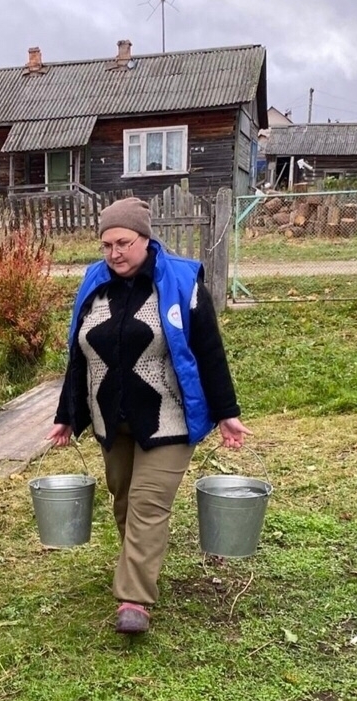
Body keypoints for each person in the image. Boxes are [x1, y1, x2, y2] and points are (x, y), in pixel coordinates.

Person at [46, 197, 251, 635]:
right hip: (110, 418)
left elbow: (209, 351)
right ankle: (140, 566)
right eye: (106, 245)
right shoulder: (94, 282)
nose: (114, 253)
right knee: (124, 500)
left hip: (168, 417)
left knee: (147, 502)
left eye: (123, 243)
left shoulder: (181, 280)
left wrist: (227, 413)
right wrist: (67, 414)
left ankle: (134, 599)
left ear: (145, 238)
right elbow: (78, 354)